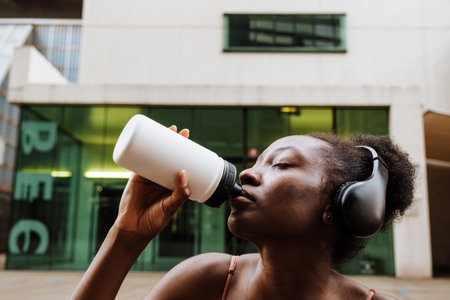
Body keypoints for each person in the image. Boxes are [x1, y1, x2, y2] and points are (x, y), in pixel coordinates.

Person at [71, 126, 415, 300]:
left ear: (343, 204)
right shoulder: (205, 279)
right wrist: (126, 237)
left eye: (281, 164)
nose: (248, 173)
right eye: (255, 163)